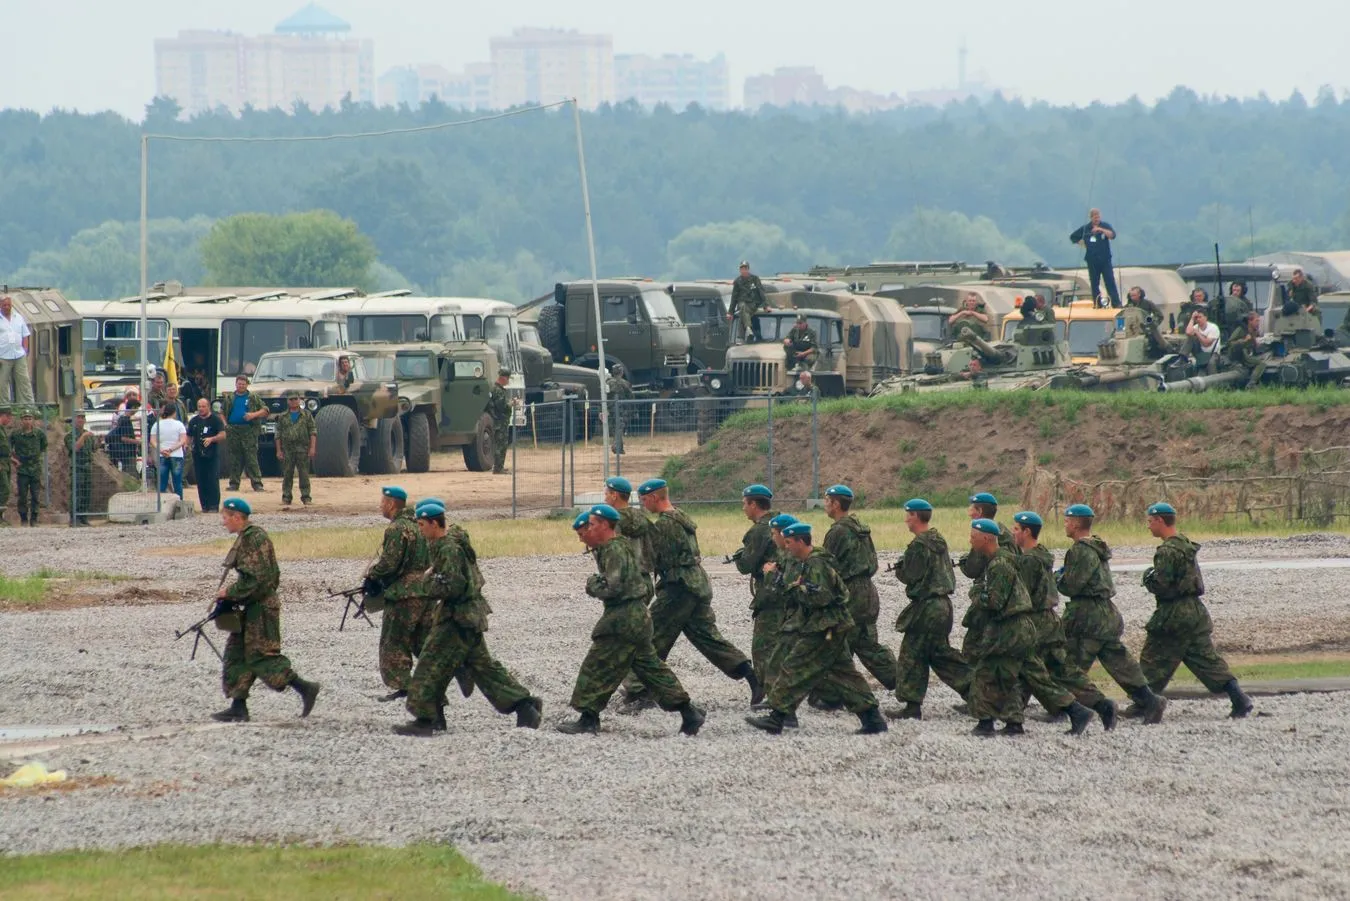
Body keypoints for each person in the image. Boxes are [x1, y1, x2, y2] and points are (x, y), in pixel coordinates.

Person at [394, 502, 542, 736]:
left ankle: (425, 719)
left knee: (429, 664)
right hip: (468, 617)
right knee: (482, 667)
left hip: (457, 619)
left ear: (435, 523)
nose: (420, 530)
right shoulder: (449, 543)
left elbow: (452, 585)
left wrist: (426, 582)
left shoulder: (448, 549)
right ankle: (524, 705)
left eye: (422, 525)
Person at [560, 504, 706, 736]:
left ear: (606, 525)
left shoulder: (614, 549)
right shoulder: (617, 547)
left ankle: (588, 717)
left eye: (593, 525)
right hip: (635, 616)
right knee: (651, 668)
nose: (589, 530)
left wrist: (592, 584)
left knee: (597, 665)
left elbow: (613, 586)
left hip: (623, 617)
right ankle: (689, 712)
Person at [621, 479, 761, 707]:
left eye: (645, 500)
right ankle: (753, 678)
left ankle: (640, 691)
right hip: (695, 584)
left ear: (655, 498)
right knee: (708, 639)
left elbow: (654, 556)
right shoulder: (681, 516)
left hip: (678, 587)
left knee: (649, 637)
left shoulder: (665, 525)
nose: (643, 505)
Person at [744, 522, 888, 735]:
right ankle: (872, 718)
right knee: (845, 674)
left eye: (790, 542)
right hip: (830, 626)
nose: (787, 547)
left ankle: (777, 717)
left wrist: (789, 585)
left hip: (824, 627)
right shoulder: (810, 562)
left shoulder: (816, 565)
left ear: (801, 541)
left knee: (794, 666)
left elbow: (821, 597)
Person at [964, 519, 1094, 736]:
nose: (970, 540)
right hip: (1019, 628)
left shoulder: (1000, 565)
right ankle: (1070, 711)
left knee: (985, 673)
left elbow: (995, 602)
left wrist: (976, 592)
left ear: (986, 538)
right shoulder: (1001, 561)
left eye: (973, 536)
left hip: (1011, 629)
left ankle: (985, 724)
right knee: (1032, 676)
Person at [210, 497, 321, 723]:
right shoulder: (246, 538)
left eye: (225, 518)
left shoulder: (253, 539)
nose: (224, 523)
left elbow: (256, 579)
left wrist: (228, 593)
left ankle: (304, 688)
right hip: (251, 606)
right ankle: (238, 705)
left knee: (263, 656)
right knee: (236, 654)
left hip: (260, 609)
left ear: (237, 517)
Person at [1140, 502, 1254, 718]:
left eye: (1149, 521)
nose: (1148, 526)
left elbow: (1162, 586)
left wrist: (1148, 578)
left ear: (1159, 521)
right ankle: (1239, 698)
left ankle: (1145, 702)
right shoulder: (1185, 544)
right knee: (1206, 659)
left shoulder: (1166, 551)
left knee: (1153, 657)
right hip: (1195, 611)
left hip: (1173, 613)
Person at [1056, 504, 1167, 723]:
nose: (1065, 525)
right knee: (1121, 663)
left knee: (1069, 664)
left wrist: (1057, 579)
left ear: (1077, 523)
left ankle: (1067, 707)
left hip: (1087, 616)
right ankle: (1149, 700)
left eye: (1068, 520)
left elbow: (1072, 585)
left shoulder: (1079, 550)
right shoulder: (1097, 547)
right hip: (1106, 613)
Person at [1011, 510, 1115, 730]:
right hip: (1049, 620)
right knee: (1061, 670)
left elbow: (1023, 595)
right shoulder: (1041, 554)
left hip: (1037, 622)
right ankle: (1101, 704)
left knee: (1030, 669)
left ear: (1027, 532)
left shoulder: (1029, 560)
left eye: (1016, 529)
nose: (1012, 532)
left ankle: (1070, 710)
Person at [891, 498, 971, 720]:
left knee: (912, 653)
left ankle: (912, 706)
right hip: (943, 605)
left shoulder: (918, 545)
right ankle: (977, 692)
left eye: (908, 514)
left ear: (916, 516)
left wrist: (901, 569)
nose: (906, 519)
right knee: (939, 654)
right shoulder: (938, 540)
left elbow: (911, 576)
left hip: (927, 606)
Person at [815, 484, 896, 700]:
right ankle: (901, 680)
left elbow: (827, 566)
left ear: (836, 504)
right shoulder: (860, 528)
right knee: (866, 643)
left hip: (849, 592)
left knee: (835, 643)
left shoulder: (838, 531)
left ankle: (831, 695)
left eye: (827, 501)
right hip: (868, 591)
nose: (825, 505)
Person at [366, 486, 433, 702]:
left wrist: (373, 576)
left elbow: (389, 563)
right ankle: (438, 681)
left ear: (392, 504)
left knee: (393, 642)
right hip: (425, 590)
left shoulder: (397, 529)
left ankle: (403, 684)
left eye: (382, 502)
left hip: (403, 593)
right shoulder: (419, 525)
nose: (380, 505)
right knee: (421, 640)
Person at [751, 514, 799, 723]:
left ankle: (781, 706)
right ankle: (779, 705)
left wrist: (770, 573)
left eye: (773, 533)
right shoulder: (785, 554)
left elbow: (785, 587)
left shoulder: (790, 557)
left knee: (770, 654)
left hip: (780, 611)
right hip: (784, 611)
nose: (772, 538)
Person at [731, 484, 779, 680]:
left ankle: (767, 688)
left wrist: (739, 557)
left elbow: (745, 566)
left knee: (763, 646)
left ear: (754, 505)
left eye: (745, 503)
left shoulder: (759, 531)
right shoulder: (780, 523)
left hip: (770, 593)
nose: (743, 508)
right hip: (789, 588)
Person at [603, 476, 652, 585]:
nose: (604, 499)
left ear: (614, 495)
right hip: (645, 579)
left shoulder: (614, 521)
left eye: (606, 494)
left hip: (625, 581)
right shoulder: (642, 516)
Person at [1069, 208, 1120, 308]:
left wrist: (1101, 230)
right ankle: (1098, 303)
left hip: (1105, 259)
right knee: (1094, 283)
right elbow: (1073, 237)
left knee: (1109, 281)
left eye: (1098, 217)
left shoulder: (1105, 226)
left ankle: (1116, 303)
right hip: (1092, 259)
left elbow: (1112, 235)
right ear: (1091, 217)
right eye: (1095, 217)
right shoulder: (1086, 228)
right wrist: (1083, 243)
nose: (1097, 219)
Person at [224, 375, 267, 492]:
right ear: (236, 384)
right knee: (235, 458)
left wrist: (253, 415)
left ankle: (257, 483)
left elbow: (265, 410)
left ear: (247, 385)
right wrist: (225, 425)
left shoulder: (253, 397)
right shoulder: (229, 398)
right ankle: (234, 483)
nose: (241, 386)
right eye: (239, 384)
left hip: (249, 430)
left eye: (243, 384)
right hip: (233, 431)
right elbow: (222, 412)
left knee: (251, 457)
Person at [275, 392, 317, 507]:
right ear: (288, 401)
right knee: (287, 474)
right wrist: (278, 450)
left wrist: (312, 448)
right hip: (287, 449)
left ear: (299, 400)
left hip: (302, 449)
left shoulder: (307, 415)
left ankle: (306, 497)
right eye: (291, 399)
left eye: (295, 399)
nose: (293, 401)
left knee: (304, 474)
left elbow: (313, 432)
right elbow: (278, 434)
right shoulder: (282, 416)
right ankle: (286, 497)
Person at [187, 397, 226, 513]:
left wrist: (212, 439)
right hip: (198, 455)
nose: (201, 409)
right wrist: (186, 445)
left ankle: (214, 505)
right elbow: (189, 436)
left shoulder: (215, 420)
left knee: (212, 479)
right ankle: (204, 505)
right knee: (201, 480)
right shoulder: (194, 421)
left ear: (208, 407)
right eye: (199, 406)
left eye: (204, 406)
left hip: (212, 455)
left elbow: (223, 435)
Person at [11, 409, 46, 527]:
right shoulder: (16, 434)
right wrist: (15, 461)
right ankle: (24, 519)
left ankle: (34, 519)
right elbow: (8, 449)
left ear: (33, 420)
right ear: (21, 421)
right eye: (25, 419)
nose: (27, 421)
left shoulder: (39, 434)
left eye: (30, 418)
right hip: (22, 469)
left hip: (35, 468)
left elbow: (43, 447)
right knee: (22, 495)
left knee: (35, 495)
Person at [64, 412, 100, 524]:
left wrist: (99, 441)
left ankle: (83, 517)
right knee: (77, 493)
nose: (80, 420)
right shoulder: (70, 435)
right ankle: (75, 518)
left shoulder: (87, 434)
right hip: (77, 467)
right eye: (78, 417)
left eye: (82, 417)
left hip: (87, 467)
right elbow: (75, 448)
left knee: (86, 493)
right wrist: (83, 437)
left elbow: (93, 449)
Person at [0, 294, 35, 406]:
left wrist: (25, 350)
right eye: (4, 305)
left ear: (12, 305)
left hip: (19, 355)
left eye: (8, 305)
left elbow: (25, 335)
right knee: (2, 384)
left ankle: (28, 408)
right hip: (3, 357)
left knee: (24, 382)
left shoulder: (18, 317)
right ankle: (4, 409)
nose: (7, 307)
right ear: (0, 305)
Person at [152, 403, 188, 498]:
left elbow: (152, 441)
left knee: (162, 482)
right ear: (174, 412)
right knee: (177, 482)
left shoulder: (157, 424)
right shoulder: (179, 424)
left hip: (162, 455)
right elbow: (183, 440)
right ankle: (179, 503)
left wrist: (162, 450)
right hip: (176, 455)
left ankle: (161, 503)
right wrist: (171, 449)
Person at [728, 260, 768, 342]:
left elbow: (761, 291)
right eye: (742, 268)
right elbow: (734, 297)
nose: (744, 270)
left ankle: (743, 335)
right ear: (740, 270)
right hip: (742, 303)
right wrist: (730, 312)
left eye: (745, 268)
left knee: (743, 312)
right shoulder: (737, 281)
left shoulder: (755, 279)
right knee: (742, 307)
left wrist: (766, 305)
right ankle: (748, 328)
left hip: (753, 304)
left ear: (748, 269)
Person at [1226, 311, 1267, 388]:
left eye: (1259, 320)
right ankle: (1251, 384)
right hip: (1240, 354)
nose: (1258, 323)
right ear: (1250, 321)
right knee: (1261, 364)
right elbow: (1230, 343)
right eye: (1256, 321)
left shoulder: (1254, 330)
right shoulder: (1241, 329)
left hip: (1249, 352)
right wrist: (1243, 340)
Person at [486, 367, 512, 475]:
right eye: (508, 378)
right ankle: (498, 468)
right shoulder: (498, 390)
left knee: (502, 444)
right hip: (499, 422)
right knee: (500, 445)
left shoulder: (496, 389)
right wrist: (511, 404)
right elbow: (501, 407)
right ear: (503, 378)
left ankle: (499, 466)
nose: (508, 381)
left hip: (499, 422)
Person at [106, 399, 142, 473]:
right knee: (130, 474)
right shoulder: (125, 420)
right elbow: (123, 438)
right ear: (133, 407)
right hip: (127, 453)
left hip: (127, 453)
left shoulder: (123, 418)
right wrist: (138, 442)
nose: (137, 410)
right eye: (137, 408)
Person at [607, 363, 634, 456]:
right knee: (619, 427)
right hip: (621, 409)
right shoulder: (624, 383)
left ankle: (620, 448)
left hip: (610, 408)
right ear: (621, 372)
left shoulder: (608, 383)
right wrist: (633, 410)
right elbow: (631, 396)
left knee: (616, 428)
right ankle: (616, 446)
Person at [0, 405, 11, 525]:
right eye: (8, 417)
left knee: (4, 489)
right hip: (1, 463)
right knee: (4, 489)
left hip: (5, 462)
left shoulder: (2, 429)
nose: (10, 420)